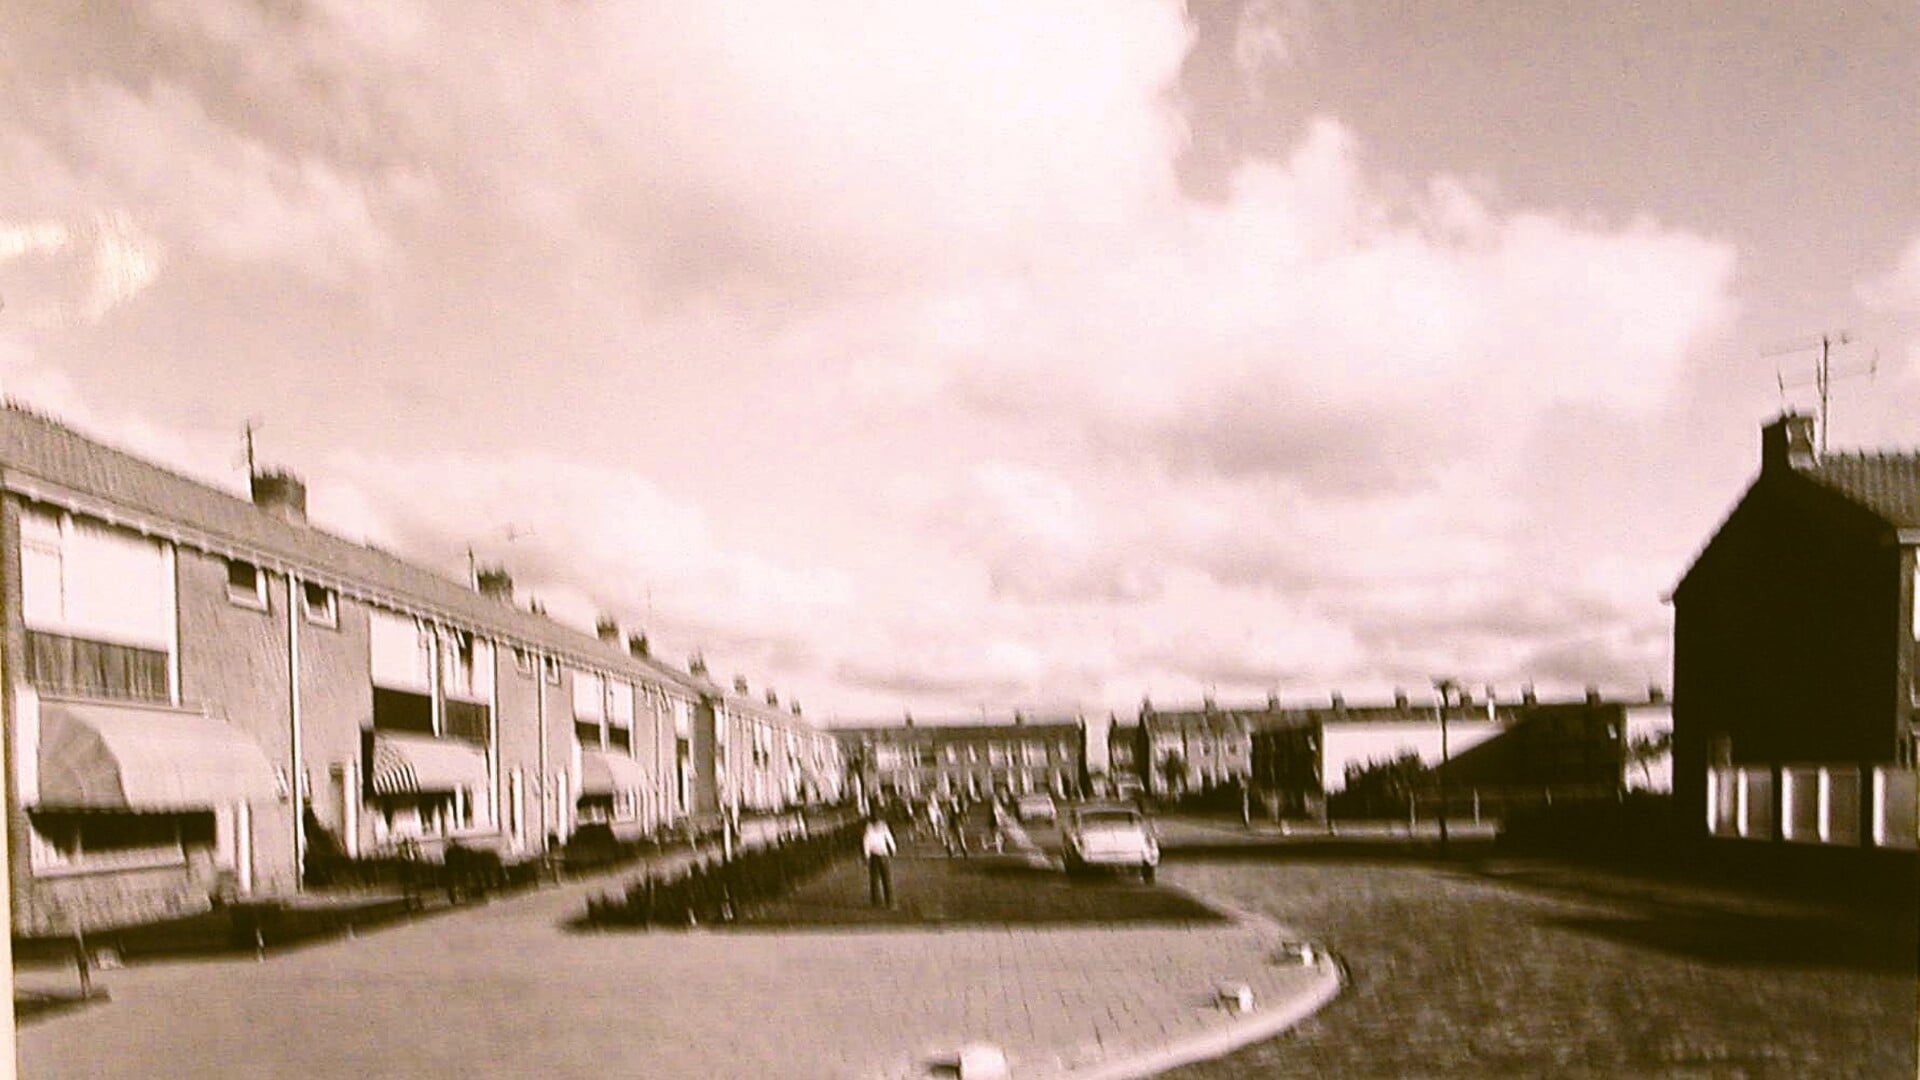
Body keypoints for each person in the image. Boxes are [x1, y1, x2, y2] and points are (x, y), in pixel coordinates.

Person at [863, 813, 897, 908]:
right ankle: (890, 902)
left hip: (874, 855)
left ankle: (876, 901)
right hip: (883, 854)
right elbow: (889, 838)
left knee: (875, 879)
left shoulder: (869, 829)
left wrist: (867, 855)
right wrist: (893, 849)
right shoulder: (883, 827)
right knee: (886, 879)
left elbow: (866, 842)